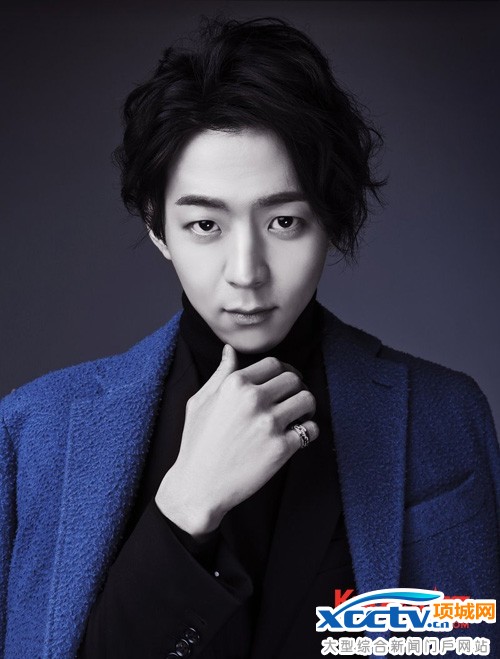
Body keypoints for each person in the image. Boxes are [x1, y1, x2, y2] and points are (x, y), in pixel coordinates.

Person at [0, 15, 498, 659]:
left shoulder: (444, 413)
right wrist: (186, 508)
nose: (246, 272)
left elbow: (472, 637)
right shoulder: (34, 432)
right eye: (206, 225)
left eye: (284, 221)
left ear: (330, 218)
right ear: (157, 226)